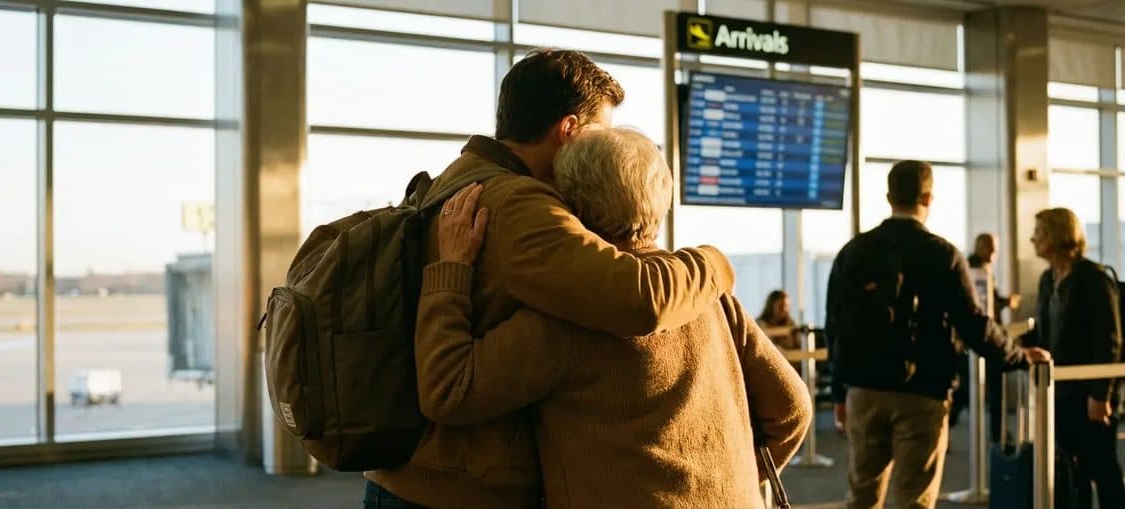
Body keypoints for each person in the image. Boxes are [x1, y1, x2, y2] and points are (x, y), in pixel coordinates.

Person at [363, 50, 736, 509]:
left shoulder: (457, 179)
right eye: (600, 132)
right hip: (458, 489)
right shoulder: (520, 205)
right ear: (570, 130)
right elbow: (641, 298)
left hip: (415, 475)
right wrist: (713, 262)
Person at [416, 128, 812, 507]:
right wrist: (729, 481)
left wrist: (449, 270)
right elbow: (793, 410)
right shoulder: (715, 299)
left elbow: (450, 390)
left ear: (567, 205)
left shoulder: (569, 316)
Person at [826, 160, 1049, 509]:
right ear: (928, 198)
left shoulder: (854, 252)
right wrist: (1018, 355)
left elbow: (835, 326)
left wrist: (840, 391)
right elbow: (973, 323)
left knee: (862, 497)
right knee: (913, 499)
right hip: (922, 394)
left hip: (864, 391)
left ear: (888, 197)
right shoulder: (942, 254)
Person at [1023, 207, 1124, 508]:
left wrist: (1100, 395)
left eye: (1039, 233)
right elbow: (1044, 331)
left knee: (1102, 469)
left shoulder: (1093, 278)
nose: (1032, 239)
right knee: (1071, 469)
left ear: (1058, 234)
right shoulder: (1047, 279)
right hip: (1058, 391)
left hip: (1089, 393)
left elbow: (1109, 341)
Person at [950, 233, 1023, 432]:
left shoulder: (981, 270)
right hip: (980, 336)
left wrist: (1005, 302)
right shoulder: (973, 272)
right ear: (979, 247)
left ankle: (997, 432)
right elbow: (977, 307)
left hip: (983, 334)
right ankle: (994, 432)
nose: (994, 253)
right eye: (990, 248)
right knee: (970, 388)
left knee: (984, 387)